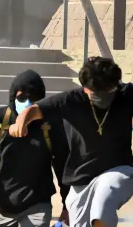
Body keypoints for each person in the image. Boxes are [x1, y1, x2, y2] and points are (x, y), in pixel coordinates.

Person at [9, 57, 133, 227]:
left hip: (119, 170)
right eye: (96, 93)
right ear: (85, 88)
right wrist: (21, 122)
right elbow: (34, 110)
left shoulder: (127, 95)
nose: (102, 98)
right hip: (81, 178)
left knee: (103, 201)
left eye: (107, 92)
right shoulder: (70, 100)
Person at [0, 69, 70, 226]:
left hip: (37, 207)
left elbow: (63, 165)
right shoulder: (0, 118)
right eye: (22, 97)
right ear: (13, 96)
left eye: (33, 97)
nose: (27, 101)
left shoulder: (49, 126)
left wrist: (66, 204)